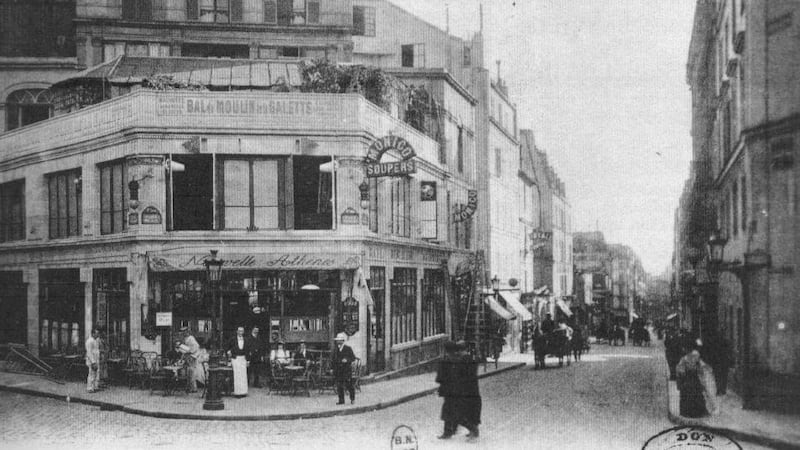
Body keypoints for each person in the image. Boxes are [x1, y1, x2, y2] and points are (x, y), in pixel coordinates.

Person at [435, 341, 481, 440]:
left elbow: (441, 378)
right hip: (459, 390)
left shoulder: (448, 360)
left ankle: (470, 429)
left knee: (452, 412)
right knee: (452, 411)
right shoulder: (462, 360)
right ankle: (450, 431)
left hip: (451, 390)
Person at [676, 339, 714, 418]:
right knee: (696, 394)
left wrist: (681, 377)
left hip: (688, 377)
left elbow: (680, 369)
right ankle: (697, 412)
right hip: (694, 378)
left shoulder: (685, 358)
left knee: (688, 394)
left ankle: (688, 412)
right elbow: (701, 367)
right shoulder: (693, 355)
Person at [332, 332, 356, 405]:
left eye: (339, 340)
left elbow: (353, 358)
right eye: (337, 340)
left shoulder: (348, 348)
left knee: (348, 385)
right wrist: (332, 368)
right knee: (339, 386)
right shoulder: (336, 350)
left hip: (346, 370)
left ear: (342, 341)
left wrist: (347, 360)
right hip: (339, 370)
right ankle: (341, 400)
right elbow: (333, 359)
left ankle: (352, 398)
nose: (338, 342)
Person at [227, 326, 250, 397]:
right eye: (239, 331)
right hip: (235, 358)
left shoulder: (246, 339)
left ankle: (243, 392)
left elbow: (247, 350)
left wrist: (248, 360)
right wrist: (229, 353)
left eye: (242, 331)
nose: (240, 332)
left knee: (243, 375)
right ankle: (237, 392)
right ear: (237, 331)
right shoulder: (233, 339)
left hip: (243, 358)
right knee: (237, 375)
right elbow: (228, 347)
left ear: (243, 332)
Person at [178, 327, 200, 393]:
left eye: (184, 332)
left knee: (191, 372)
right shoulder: (186, 338)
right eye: (182, 332)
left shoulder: (191, 338)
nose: (183, 333)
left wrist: (189, 351)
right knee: (189, 373)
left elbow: (195, 347)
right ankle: (190, 387)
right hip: (189, 356)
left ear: (187, 332)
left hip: (192, 356)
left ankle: (193, 388)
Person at [85, 328, 100, 393]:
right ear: (93, 333)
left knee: (97, 374)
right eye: (97, 333)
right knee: (91, 374)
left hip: (96, 360)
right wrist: (93, 362)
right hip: (92, 361)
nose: (98, 335)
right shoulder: (89, 341)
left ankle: (95, 387)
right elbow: (89, 353)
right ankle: (90, 388)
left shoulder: (96, 340)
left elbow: (96, 351)